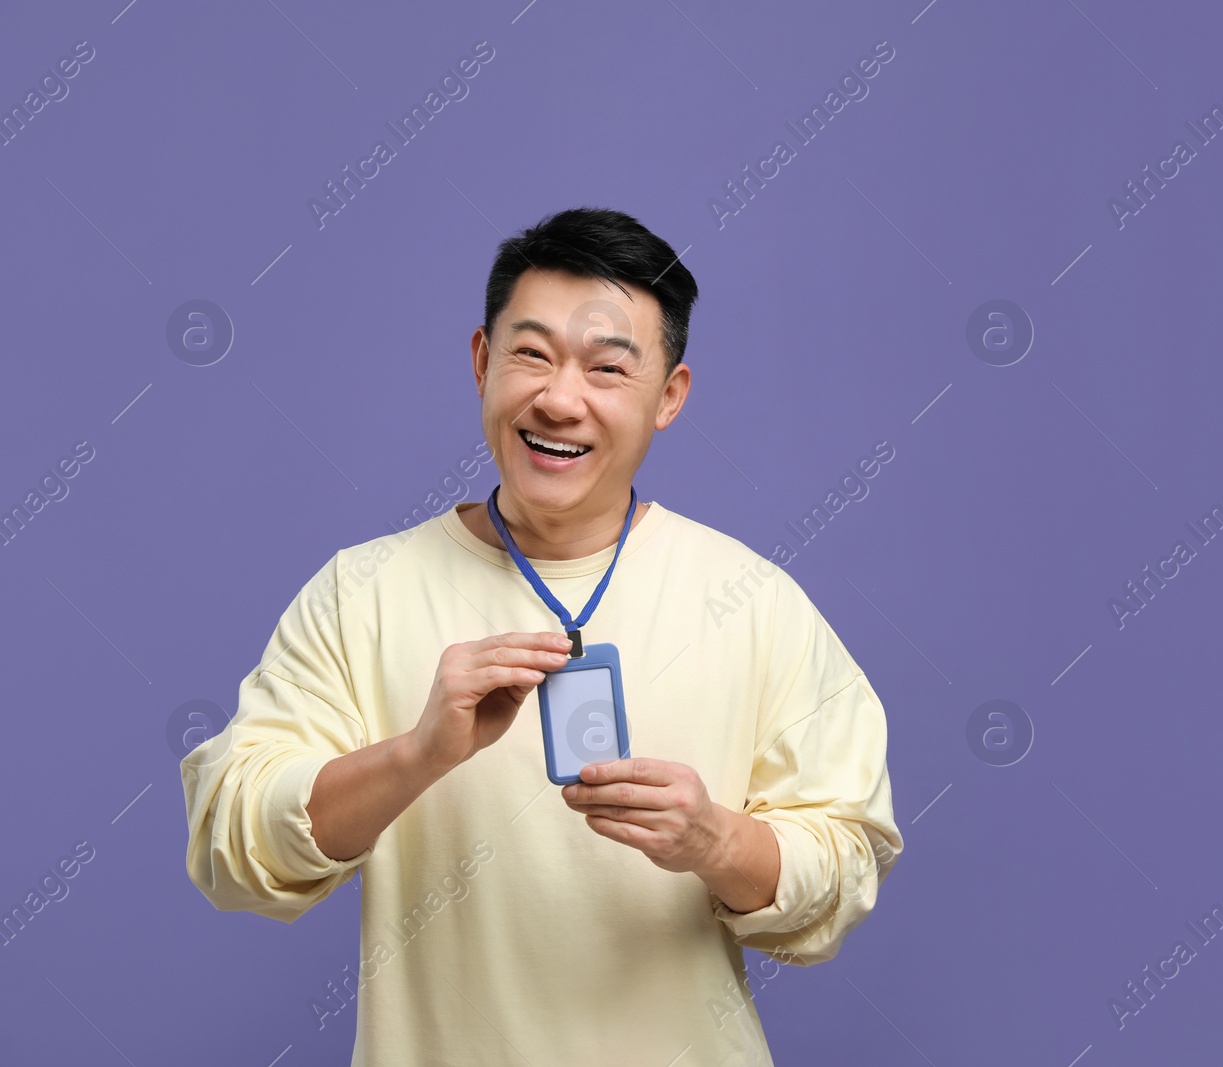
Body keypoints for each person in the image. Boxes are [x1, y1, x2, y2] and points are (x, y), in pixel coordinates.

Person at [180, 206, 903, 1066]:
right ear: (483, 362)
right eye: (531, 354)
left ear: (669, 396)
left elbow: (847, 863)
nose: (560, 399)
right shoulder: (361, 592)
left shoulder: (752, 599)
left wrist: (713, 837)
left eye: (607, 369)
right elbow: (232, 847)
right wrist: (415, 754)